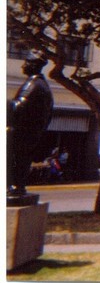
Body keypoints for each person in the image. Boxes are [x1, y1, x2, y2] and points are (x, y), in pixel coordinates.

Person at [7, 55, 53, 199]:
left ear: (33, 66)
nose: (23, 66)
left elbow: (19, 107)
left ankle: (15, 187)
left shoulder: (33, 85)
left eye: (26, 63)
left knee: (16, 160)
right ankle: (15, 186)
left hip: (21, 133)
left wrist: (7, 103)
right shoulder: (40, 84)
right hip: (28, 134)